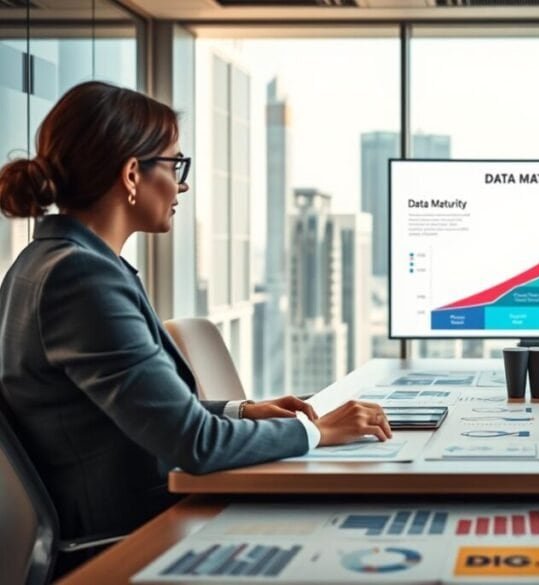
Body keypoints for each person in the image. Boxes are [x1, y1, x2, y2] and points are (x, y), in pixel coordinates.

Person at [0, 81, 392, 575]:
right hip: (135, 542)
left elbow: (138, 410)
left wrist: (241, 410)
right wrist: (316, 431)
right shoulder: (82, 279)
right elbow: (194, 443)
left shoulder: (44, 261)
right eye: (175, 165)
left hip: (143, 520)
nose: (182, 185)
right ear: (132, 174)